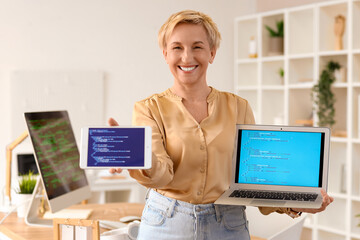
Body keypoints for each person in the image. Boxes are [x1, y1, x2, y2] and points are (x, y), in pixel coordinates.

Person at [109, 10, 333, 240]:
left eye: (197, 47)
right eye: (177, 47)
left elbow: (252, 182)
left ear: (212, 53)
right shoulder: (148, 109)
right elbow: (161, 175)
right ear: (165, 54)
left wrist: (294, 205)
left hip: (228, 224)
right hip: (166, 223)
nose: (187, 57)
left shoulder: (238, 107)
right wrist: (135, 155)